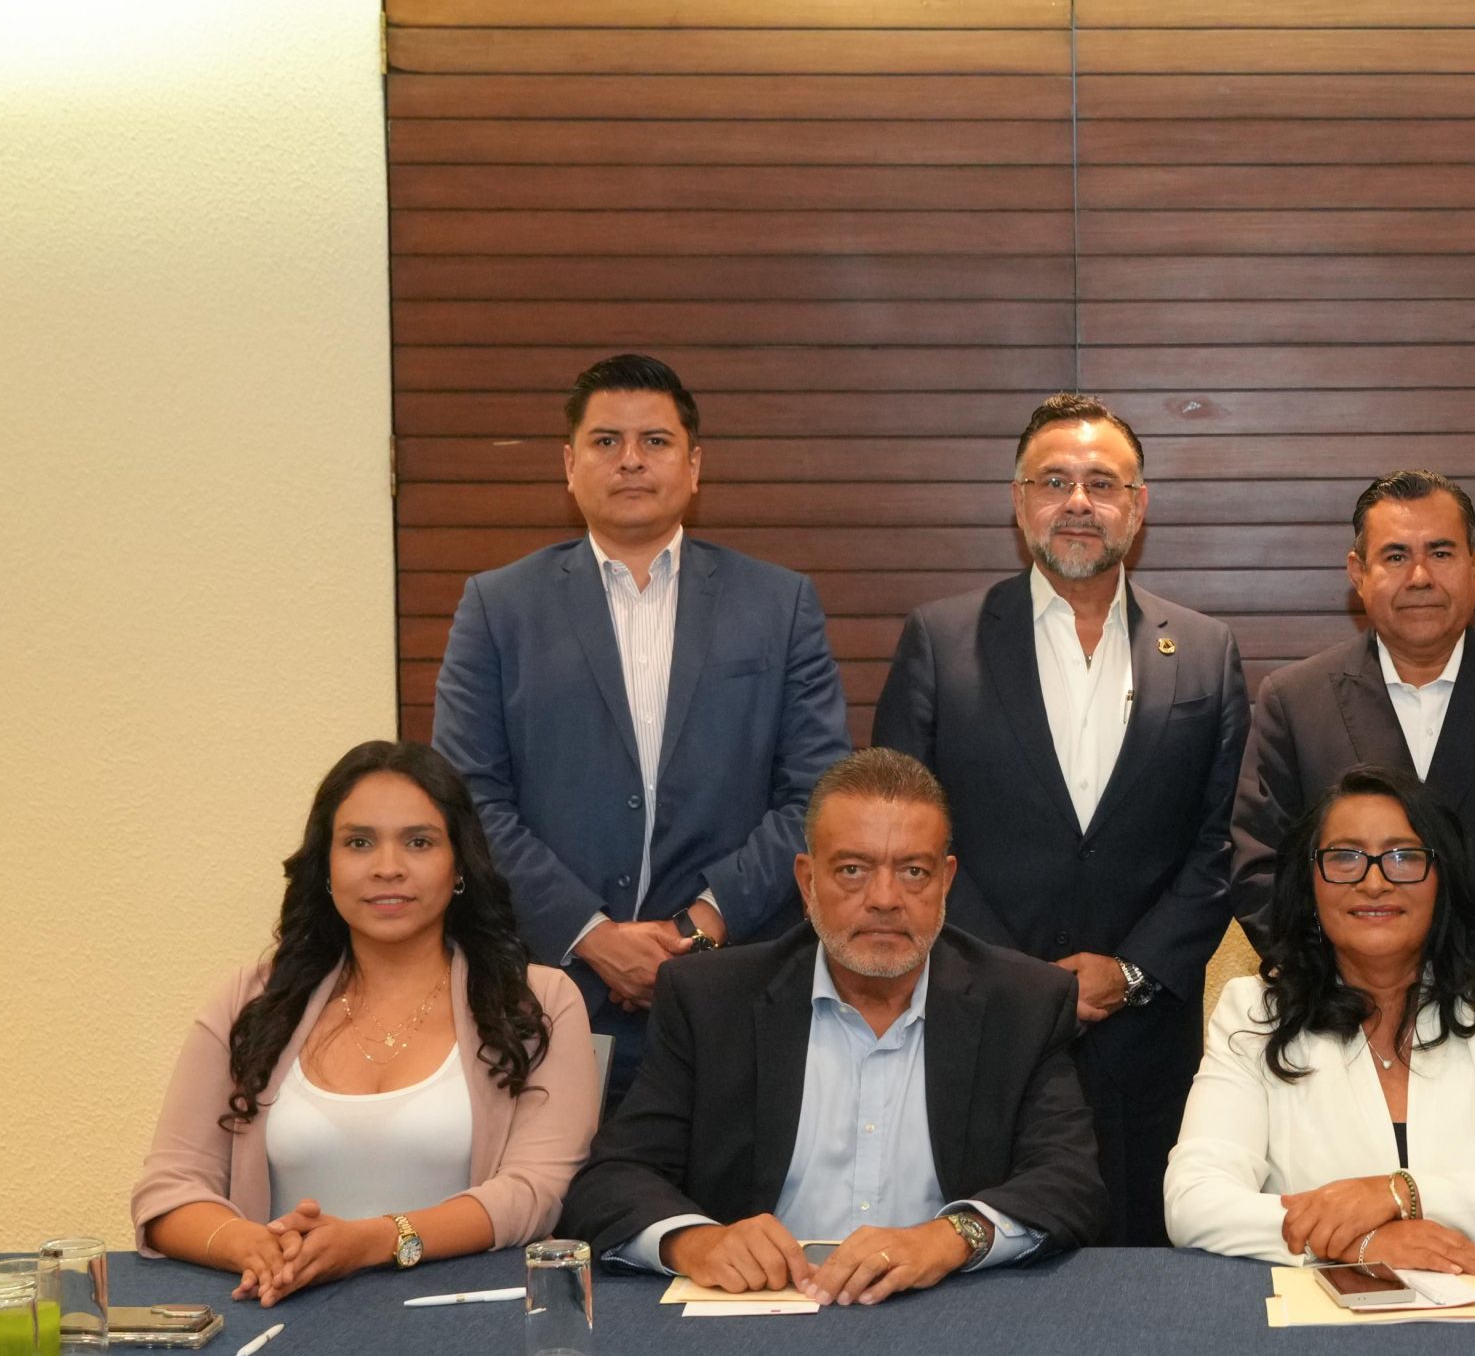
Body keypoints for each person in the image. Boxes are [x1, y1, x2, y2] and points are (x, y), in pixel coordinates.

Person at [873, 392, 1248, 1247]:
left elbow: (1220, 841)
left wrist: (1134, 971)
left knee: (1144, 1269)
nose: (1079, 502)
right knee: (978, 1258)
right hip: (980, 1020)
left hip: (1143, 1036)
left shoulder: (1204, 650)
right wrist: (1017, 978)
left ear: (1138, 507)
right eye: (1054, 481)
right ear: (1019, 502)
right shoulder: (941, 639)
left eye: (1103, 484)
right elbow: (902, 836)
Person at [432, 353, 852, 1100]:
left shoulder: (778, 605)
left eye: (655, 441)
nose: (630, 459)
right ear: (569, 466)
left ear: (694, 467)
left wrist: (700, 928)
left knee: (726, 1179)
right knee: (556, 1179)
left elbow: (816, 795)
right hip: (547, 993)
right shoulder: (499, 608)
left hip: (732, 990)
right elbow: (470, 800)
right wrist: (591, 935)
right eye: (606, 441)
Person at [558, 749, 1107, 1305]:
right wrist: (696, 1242)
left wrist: (950, 1237)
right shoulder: (711, 1000)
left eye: (913, 872)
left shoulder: (1023, 1002)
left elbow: (1070, 1183)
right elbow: (613, 1180)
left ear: (945, 881)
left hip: (947, 1308)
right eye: (852, 870)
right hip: (759, 1313)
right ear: (807, 881)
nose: (885, 900)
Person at [133, 742, 600, 1306]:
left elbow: (536, 1194)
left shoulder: (537, 1002)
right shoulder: (250, 1000)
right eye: (359, 842)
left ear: (459, 866)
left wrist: (374, 1241)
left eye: (419, 842)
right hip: (286, 1310)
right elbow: (169, 1190)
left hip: (472, 1315)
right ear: (326, 869)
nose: (387, 867)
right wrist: (255, 1248)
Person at [1165, 766, 1475, 1268]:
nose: (1374, 882)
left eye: (1403, 857)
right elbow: (1193, 1201)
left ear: (1443, 881)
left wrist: (1401, 1194)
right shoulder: (1255, 1013)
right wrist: (1357, 1243)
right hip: (1313, 1308)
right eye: (1345, 857)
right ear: (1310, 884)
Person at [1232, 469, 1475, 989]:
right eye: (1396, 556)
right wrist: (1353, 983)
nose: (1420, 577)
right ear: (1358, 573)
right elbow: (1261, 869)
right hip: (1338, 1006)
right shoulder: (1295, 700)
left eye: (1442, 553)